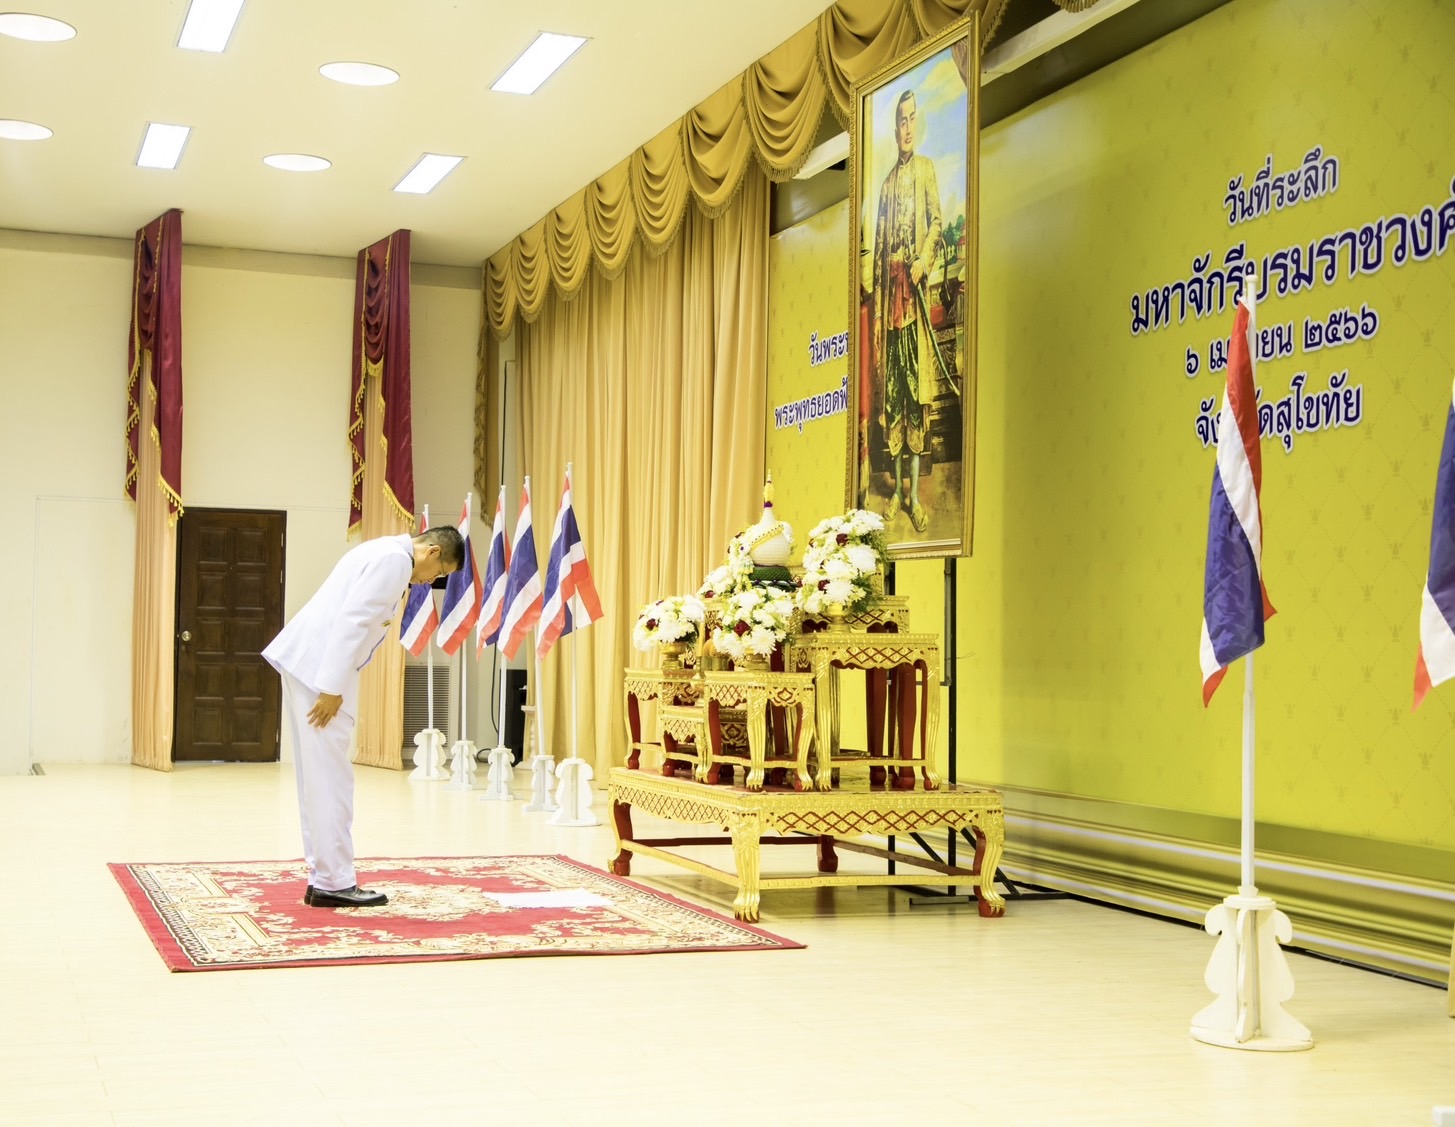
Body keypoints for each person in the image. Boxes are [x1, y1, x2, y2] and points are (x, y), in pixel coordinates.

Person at [263, 526, 463, 907]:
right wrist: (332, 689)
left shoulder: (386, 550)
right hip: (321, 672)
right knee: (330, 780)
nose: (429, 581)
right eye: (437, 574)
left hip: (312, 665)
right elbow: (352, 622)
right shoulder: (395, 561)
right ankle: (334, 881)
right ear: (432, 551)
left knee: (319, 779)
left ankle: (325, 875)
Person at [871, 88, 943, 534]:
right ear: (894, 127)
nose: (907, 128)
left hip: (914, 300)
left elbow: (937, 223)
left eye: (913, 118)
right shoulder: (885, 186)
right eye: (901, 120)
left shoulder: (928, 172)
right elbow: (878, 251)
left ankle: (915, 496)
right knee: (894, 397)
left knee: (915, 400)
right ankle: (896, 491)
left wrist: (923, 259)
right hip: (890, 306)